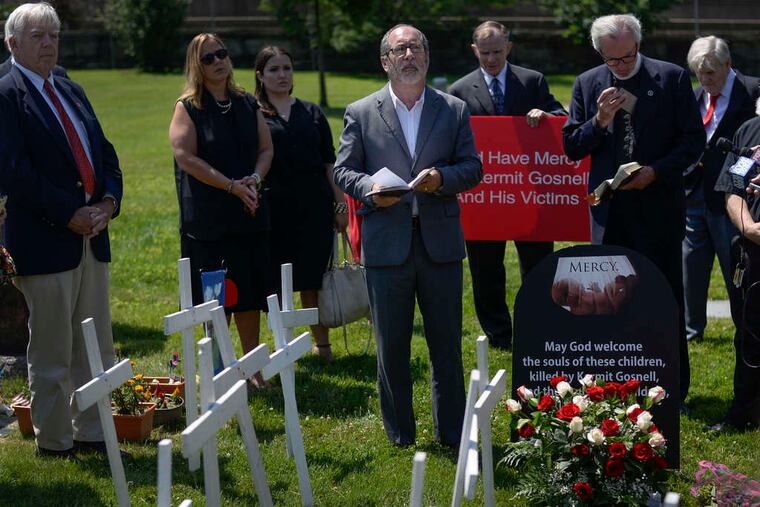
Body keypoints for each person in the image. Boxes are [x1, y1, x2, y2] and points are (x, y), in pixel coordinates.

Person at [333, 24, 482, 446]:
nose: (409, 55)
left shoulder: (453, 108)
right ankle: (400, 432)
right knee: (392, 347)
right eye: (400, 49)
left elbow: (473, 167)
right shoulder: (361, 111)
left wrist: (443, 178)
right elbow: (344, 170)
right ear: (385, 61)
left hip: (440, 244)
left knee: (446, 346)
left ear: (427, 56)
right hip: (386, 244)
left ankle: (450, 431)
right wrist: (368, 190)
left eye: (416, 47)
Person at [562, 14, 705, 409]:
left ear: (638, 45)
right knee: (608, 302)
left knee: (663, 298)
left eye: (628, 57)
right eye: (614, 61)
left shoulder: (671, 78)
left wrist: (656, 172)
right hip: (610, 215)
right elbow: (572, 145)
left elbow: (694, 142)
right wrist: (600, 120)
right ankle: (612, 386)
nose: (622, 66)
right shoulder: (587, 83)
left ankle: (672, 388)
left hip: (658, 209)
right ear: (600, 55)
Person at [0, 2, 123, 457]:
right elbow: (14, 172)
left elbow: (105, 154)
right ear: (12, 43)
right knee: (52, 350)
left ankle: (92, 433)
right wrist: (70, 212)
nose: (49, 43)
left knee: (95, 345)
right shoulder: (6, 94)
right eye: (37, 36)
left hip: (92, 236)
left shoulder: (70, 88)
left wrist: (108, 204)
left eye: (53, 35)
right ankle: (54, 442)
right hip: (45, 240)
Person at [449, 20, 567, 350]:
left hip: (530, 192)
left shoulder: (532, 81)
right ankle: (499, 335)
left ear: (509, 48)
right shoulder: (459, 90)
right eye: (484, 52)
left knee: (539, 267)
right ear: (475, 50)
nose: (491, 58)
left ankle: (537, 327)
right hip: (483, 196)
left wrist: (544, 114)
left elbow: (560, 116)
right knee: (486, 271)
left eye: (497, 51)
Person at [169, 33, 274, 385]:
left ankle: (251, 366)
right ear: (196, 66)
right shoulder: (188, 107)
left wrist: (254, 181)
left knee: (248, 291)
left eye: (222, 54)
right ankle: (216, 370)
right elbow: (185, 156)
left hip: (248, 209)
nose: (218, 62)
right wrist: (230, 185)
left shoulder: (246, 102)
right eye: (208, 58)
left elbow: (266, 149)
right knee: (216, 297)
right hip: (209, 218)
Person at [254, 46, 347, 361]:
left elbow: (329, 163)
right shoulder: (252, 114)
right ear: (260, 76)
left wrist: (340, 204)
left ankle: (321, 344)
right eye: (274, 70)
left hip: (314, 207)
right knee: (276, 281)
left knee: (313, 279)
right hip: (272, 210)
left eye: (286, 68)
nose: (282, 75)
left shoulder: (313, 112)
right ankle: (283, 346)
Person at [681, 36, 760, 342]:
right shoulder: (697, 95)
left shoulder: (753, 91)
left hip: (735, 197)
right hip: (694, 193)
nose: (705, 78)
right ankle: (691, 332)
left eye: (711, 72)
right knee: (692, 267)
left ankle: (746, 326)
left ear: (728, 65)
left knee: (736, 266)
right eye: (699, 73)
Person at [710, 99, 760, 432]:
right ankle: (742, 413)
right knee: (748, 334)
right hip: (752, 249)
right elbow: (733, 186)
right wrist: (747, 227)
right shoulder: (749, 131)